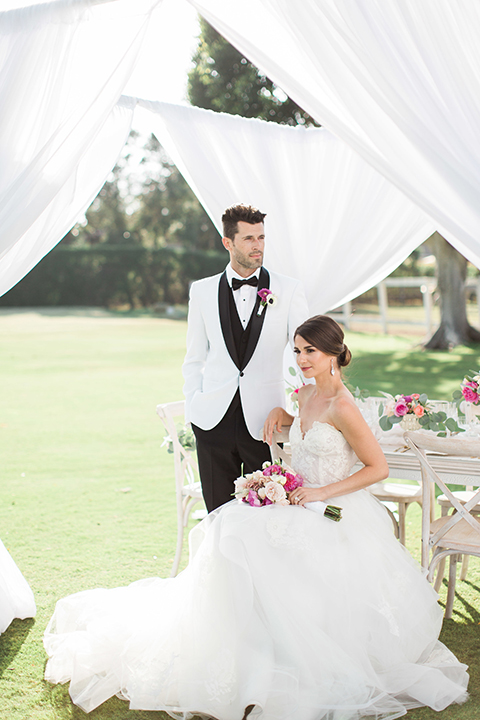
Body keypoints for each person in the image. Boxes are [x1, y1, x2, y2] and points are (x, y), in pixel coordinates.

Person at [43, 315, 469, 719]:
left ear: (335, 354)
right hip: (294, 501)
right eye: (299, 350)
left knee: (256, 545)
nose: (302, 360)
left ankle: (287, 655)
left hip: (333, 510)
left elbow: (378, 468)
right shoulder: (304, 394)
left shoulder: (343, 405)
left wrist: (320, 491)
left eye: (312, 352)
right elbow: (296, 434)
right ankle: (239, 651)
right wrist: (282, 418)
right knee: (230, 531)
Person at [182, 203, 309, 511]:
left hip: (265, 422)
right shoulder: (201, 292)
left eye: (261, 238)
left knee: (270, 514)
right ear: (228, 242)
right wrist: (194, 407)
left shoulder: (288, 290)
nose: (258, 246)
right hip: (213, 421)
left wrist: (307, 406)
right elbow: (194, 357)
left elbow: (305, 355)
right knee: (218, 514)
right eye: (249, 238)